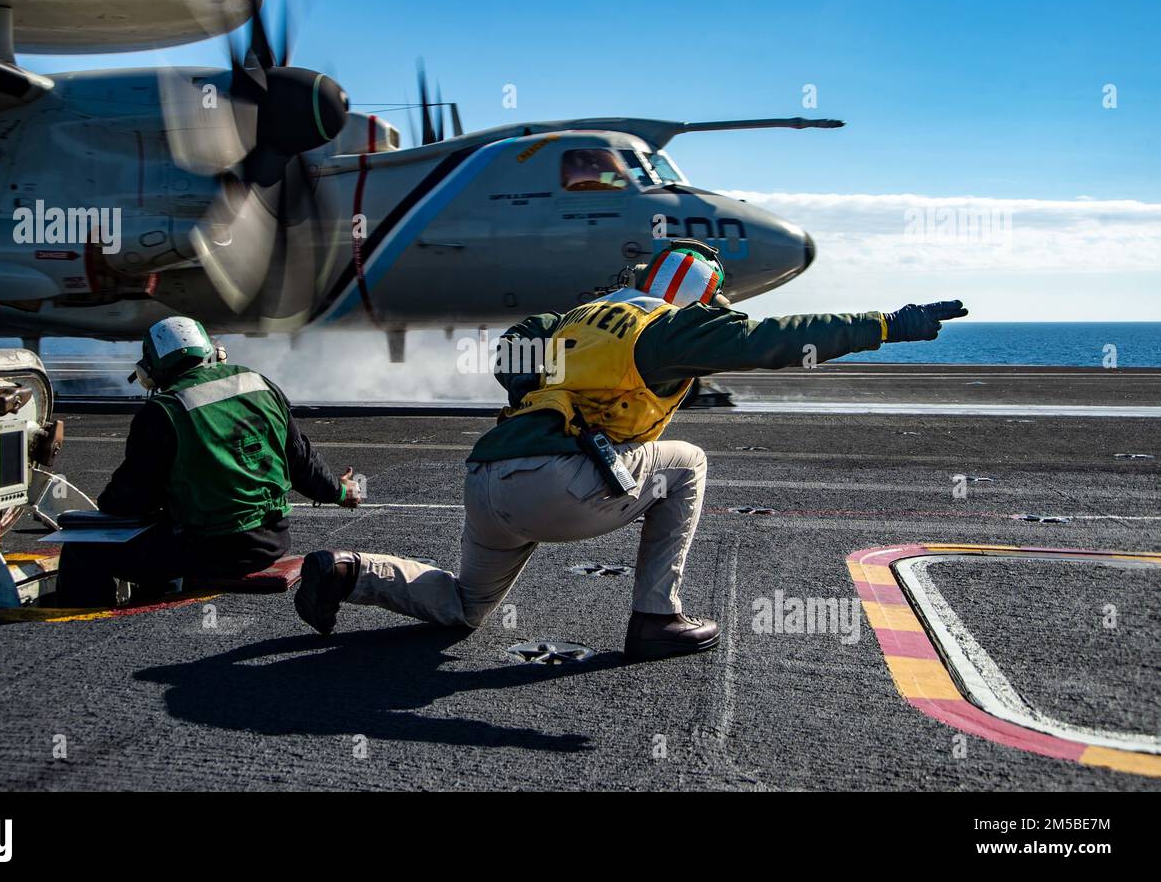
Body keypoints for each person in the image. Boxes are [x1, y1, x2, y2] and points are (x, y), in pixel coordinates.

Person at [295, 240, 967, 659]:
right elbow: (777, 337)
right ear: (701, 295)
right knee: (688, 464)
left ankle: (349, 570)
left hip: (487, 475)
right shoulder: (669, 329)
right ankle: (655, 618)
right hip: (556, 483)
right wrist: (888, 323)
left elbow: (513, 351)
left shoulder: (581, 317)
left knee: (466, 606)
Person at [55, 316, 361, 606]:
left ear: (151, 371)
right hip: (273, 542)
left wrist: (107, 506)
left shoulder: (163, 412)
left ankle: (79, 626)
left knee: (83, 548)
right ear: (213, 353)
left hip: (212, 550)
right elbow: (301, 460)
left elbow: (127, 503)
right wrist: (340, 491)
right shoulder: (259, 384)